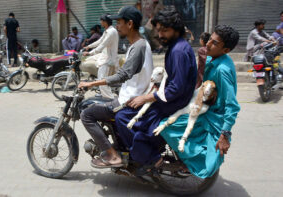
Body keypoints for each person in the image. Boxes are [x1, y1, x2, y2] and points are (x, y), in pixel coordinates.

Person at [115, 7, 197, 175]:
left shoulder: (179, 51)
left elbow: (176, 88)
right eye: (159, 31)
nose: (160, 35)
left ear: (177, 29)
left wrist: (146, 98)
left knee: (122, 117)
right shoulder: (177, 47)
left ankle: (150, 158)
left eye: (164, 31)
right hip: (171, 99)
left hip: (171, 104)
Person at [160, 25, 241, 178]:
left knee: (165, 127)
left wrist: (225, 134)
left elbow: (232, 105)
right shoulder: (213, 58)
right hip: (203, 106)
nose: (208, 44)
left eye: (215, 43)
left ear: (226, 50)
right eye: (210, 39)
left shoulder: (222, 70)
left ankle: (189, 160)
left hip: (212, 116)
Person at [78, 6, 153, 168]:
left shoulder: (139, 46)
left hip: (129, 100)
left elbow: (122, 75)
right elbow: (130, 75)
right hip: (131, 93)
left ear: (130, 24)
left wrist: (91, 83)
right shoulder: (139, 44)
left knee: (87, 114)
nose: (117, 25)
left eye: (119, 22)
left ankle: (112, 155)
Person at [81, 14, 119, 99]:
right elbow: (100, 41)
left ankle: (109, 99)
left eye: (101, 21)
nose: (100, 22)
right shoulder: (108, 31)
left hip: (108, 60)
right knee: (90, 61)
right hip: (105, 56)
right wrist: (88, 47)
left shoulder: (111, 32)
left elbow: (102, 45)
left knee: (102, 81)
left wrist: (90, 53)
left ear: (105, 22)